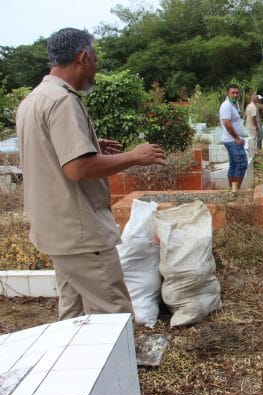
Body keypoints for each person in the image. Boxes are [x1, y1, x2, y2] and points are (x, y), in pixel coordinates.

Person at [16, 28, 167, 320]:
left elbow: (47, 154)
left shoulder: (34, 99)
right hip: (80, 230)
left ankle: (73, 366)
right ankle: (120, 366)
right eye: (95, 60)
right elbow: (78, 168)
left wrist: (92, 146)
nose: (96, 69)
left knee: (73, 313)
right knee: (112, 314)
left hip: (55, 229)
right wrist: (134, 157)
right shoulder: (62, 101)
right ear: (83, 58)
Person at [219, 83, 247, 193]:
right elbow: (227, 123)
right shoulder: (226, 105)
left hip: (234, 139)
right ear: (228, 93)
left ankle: (232, 189)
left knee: (234, 164)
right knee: (242, 163)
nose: (235, 95)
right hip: (232, 140)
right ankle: (236, 190)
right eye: (233, 93)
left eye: (237, 93)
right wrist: (237, 138)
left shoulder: (234, 104)